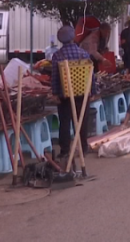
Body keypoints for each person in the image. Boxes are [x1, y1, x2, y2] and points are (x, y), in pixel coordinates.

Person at [51, 25, 95, 161]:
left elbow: (55, 77)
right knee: (82, 121)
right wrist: (92, 90)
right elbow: (90, 74)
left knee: (64, 122)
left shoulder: (57, 55)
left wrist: (56, 93)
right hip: (82, 93)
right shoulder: (83, 53)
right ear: (73, 37)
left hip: (65, 95)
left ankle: (64, 150)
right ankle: (83, 146)